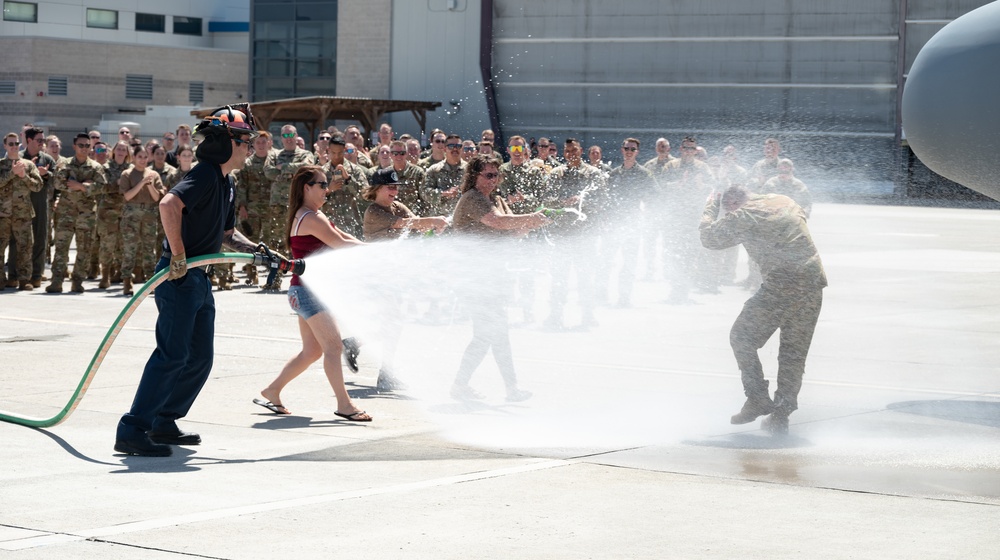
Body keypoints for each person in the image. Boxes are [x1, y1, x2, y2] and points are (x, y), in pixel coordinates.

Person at [114, 104, 263, 457]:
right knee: (172, 355)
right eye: (243, 141)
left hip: (198, 279)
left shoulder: (226, 183)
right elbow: (168, 205)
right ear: (226, 144)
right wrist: (179, 255)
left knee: (199, 358)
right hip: (178, 277)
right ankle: (133, 429)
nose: (248, 147)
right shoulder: (207, 174)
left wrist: (258, 249)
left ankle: (164, 420)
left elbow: (227, 233)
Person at [699, 186, 827, 435]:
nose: (728, 214)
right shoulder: (784, 198)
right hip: (812, 283)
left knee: (741, 337)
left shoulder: (743, 214)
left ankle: (757, 397)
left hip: (782, 284)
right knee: (793, 354)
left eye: (727, 210)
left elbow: (709, 238)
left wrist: (710, 206)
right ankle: (780, 416)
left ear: (733, 203)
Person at [253, 165, 372, 420]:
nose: (327, 189)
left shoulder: (311, 214)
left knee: (312, 351)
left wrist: (367, 248)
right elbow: (339, 244)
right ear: (307, 187)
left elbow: (344, 236)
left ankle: (272, 391)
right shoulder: (310, 217)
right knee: (333, 347)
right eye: (321, 184)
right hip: (309, 292)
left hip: (302, 291)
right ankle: (345, 405)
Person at [449, 154, 548, 402]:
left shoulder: (494, 199)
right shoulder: (472, 198)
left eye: (497, 175)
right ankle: (462, 386)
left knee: (497, 334)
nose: (494, 180)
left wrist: (528, 226)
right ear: (474, 176)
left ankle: (510, 389)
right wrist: (529, 218)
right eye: (489, 175)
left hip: (492, 278)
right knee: (487, 335)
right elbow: (498, 222)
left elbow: (509, 231)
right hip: (474, 279)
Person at [360, 168, 449, 390]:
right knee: (392, 322)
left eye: (396, 187)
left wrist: (432, 227)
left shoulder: (397, 206)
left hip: (395, 274)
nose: (394, 191)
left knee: (391, 323)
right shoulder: (374, 212)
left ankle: (356, 344)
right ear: (377, 189)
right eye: (390, 187)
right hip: (378, 275)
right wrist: (434, 221)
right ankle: (384, 372)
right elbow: (405, 224)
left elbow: (416, 222)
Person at [48, 133, 107, 293]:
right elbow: (58, 182)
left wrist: (81, 186)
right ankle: (57, 281)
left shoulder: (96, 167)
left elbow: (102, 187)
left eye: (87, 145)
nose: (84, 148)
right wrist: (80, 186)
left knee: (84, 249)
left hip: (86, 215)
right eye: (81, 145)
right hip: (66, 213)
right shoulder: (64, 164)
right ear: (74, 146)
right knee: (61, 248)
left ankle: (77, 281)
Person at [117, 145, 164, 296]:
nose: (143, 160)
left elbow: (157, 197)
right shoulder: (127, 174)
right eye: (140, 157)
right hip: (131, 215)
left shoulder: (154, 175)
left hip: (149, 214)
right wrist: (142, 183)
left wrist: (149, 184)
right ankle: (126, 280)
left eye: (145, 157)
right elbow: (127, 196)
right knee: (130, 248)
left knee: (149, 249)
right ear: (134, 157)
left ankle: (150, 280)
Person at [0, 132, 43, 290]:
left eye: (16, 143)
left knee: (25, 247)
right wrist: (12, 173)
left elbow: (38, 186)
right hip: (2, 214)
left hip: (23, 213)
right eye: (10, 144)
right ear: (5, 146)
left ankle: (24, 279)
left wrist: (23, 175)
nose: (13, 147)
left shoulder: (28, 165)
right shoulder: (1, 165)